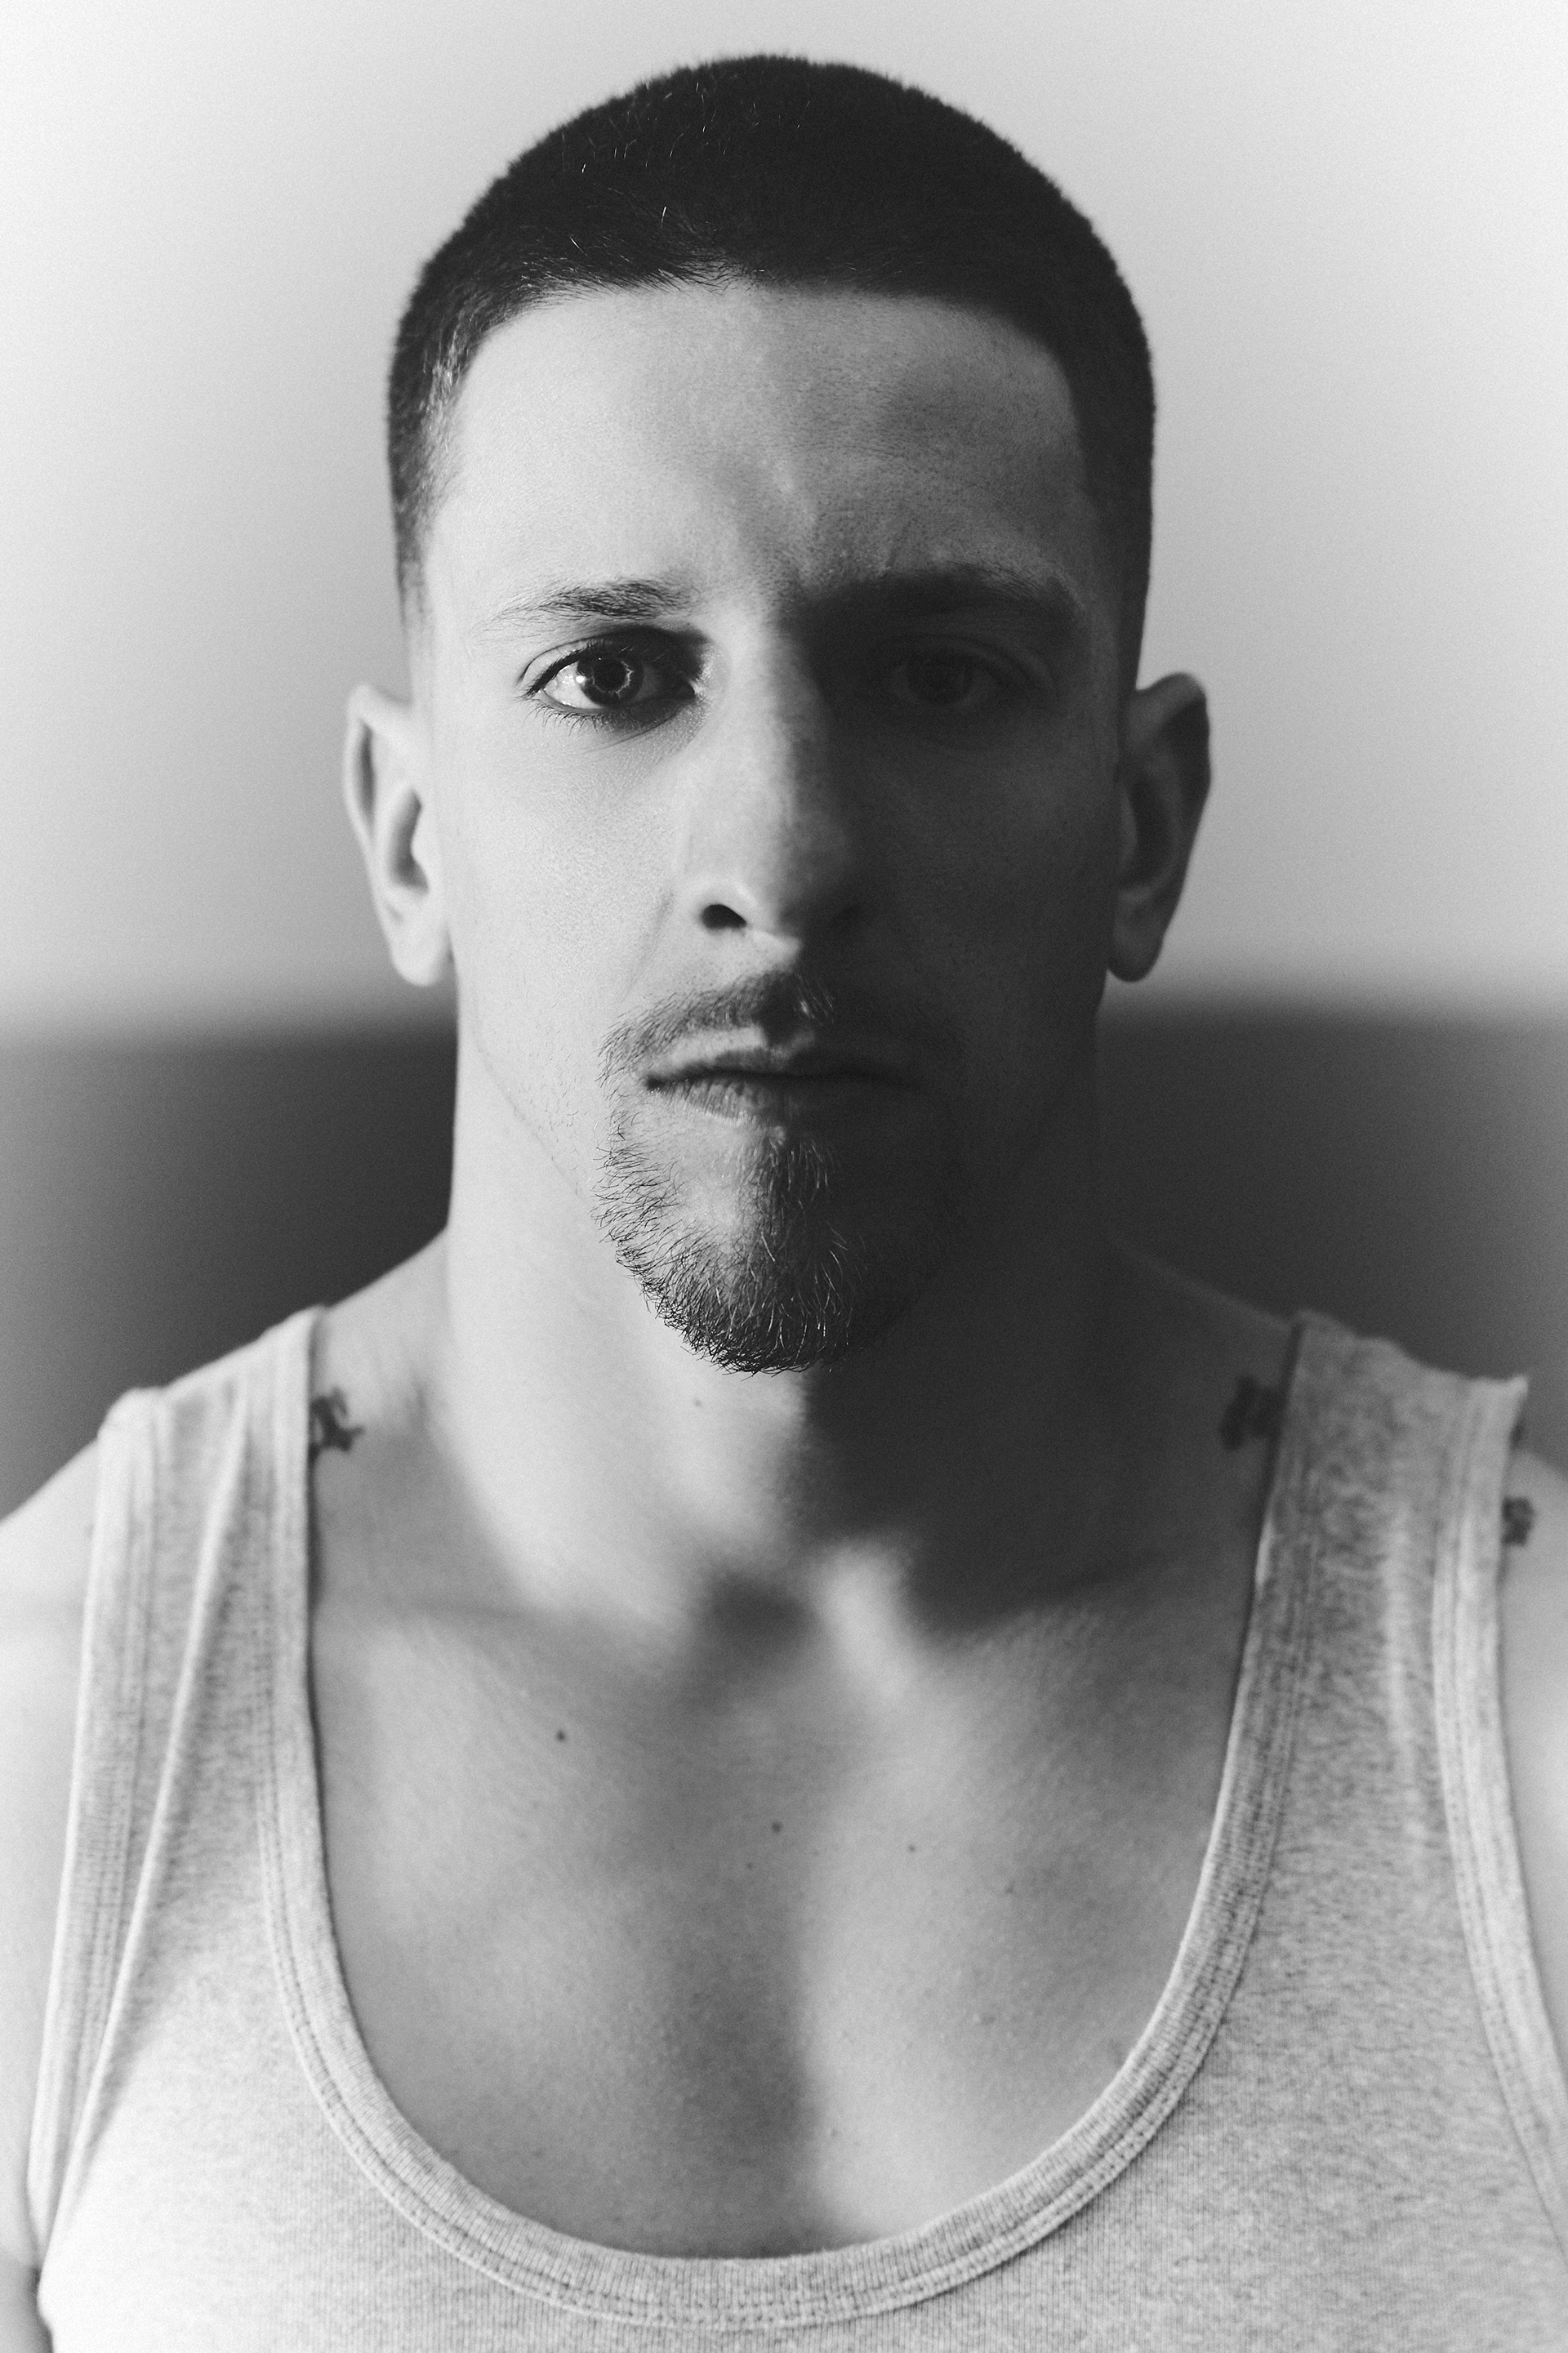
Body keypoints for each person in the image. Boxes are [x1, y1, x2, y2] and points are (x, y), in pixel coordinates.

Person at [1, 53, 1564, 2349]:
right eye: (614, 674)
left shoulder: (1523, 1729)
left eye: (939, 674)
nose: (781, 853)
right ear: (410, 836)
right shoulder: (48, 1767)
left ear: (1139, 826)